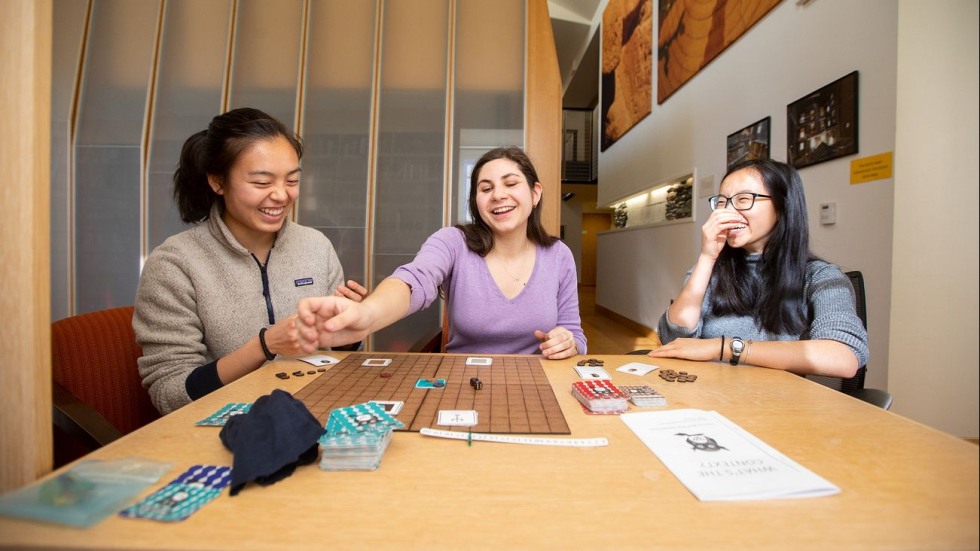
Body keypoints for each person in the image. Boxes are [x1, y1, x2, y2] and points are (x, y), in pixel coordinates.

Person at [134, 107, 366, 414]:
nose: (281, 196)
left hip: (313, 414)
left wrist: (346, 337)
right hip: (222, 430)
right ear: (218, 181)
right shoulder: (175, 264)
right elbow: (170, 393)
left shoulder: (315, 246)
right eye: (261, 182)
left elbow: (335, 358)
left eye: (292, 181)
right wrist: (265, 346)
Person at [294, 146, 586, 359]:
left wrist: (569, 342)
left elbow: (576, 334)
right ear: (476, 201)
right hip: (463, 383)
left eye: (511, 184)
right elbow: (414, 281)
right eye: (486, 188)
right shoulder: (454, 242)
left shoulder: (558, 255)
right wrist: (367, 313)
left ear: (535, 193)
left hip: (537, 384)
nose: (498, 195)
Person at [649, 158, 868, 377]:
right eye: (723, 202)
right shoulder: (709, 270)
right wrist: (706, 257)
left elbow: (843, 357)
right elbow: (674, 340)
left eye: (744, 199)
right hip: (711, 396)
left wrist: (725, 347)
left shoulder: (821, 277)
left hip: (781, 405)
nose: (728, 212)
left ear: (782, 207)